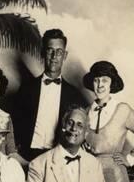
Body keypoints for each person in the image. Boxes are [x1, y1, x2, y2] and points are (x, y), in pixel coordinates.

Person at [12, 29, 88, 163]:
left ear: (64, 55)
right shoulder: (26, 89)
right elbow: (13, 123)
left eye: (59, 52)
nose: (54, 56)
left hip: (59, 157)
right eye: (50, 50)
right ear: (43, 53)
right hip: (26, 156)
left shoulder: (74, 94)